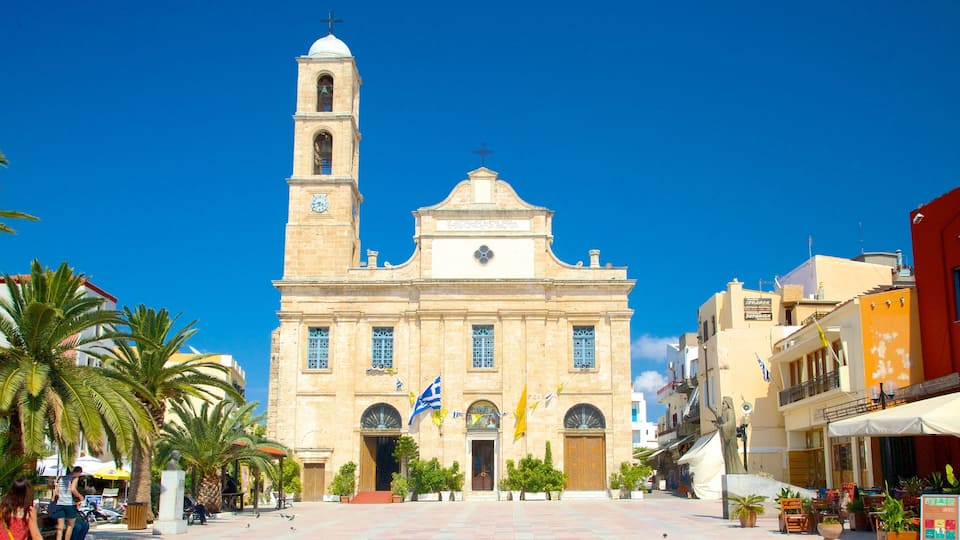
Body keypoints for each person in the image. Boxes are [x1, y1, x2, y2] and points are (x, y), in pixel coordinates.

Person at [50, 466, 83, 540]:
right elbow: (73, 489)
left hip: (60, 503)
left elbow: (56, 492)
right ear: (77, 472)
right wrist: (80, 497)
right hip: (69, 504)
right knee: (70, 526)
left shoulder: (60, 478)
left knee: (60, 527)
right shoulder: (74, 478)